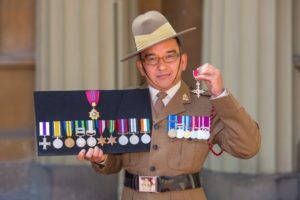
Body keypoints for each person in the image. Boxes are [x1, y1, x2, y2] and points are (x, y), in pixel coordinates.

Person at [77, 10, 260, 200]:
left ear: (183, 61)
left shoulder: (206, 106)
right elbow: (114, 162)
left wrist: (220, 95)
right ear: (141, 67)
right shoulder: (124, 103)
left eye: (169, 56)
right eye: (152, 58)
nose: (162, 66)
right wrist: (102, 159)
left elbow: (248, 147)